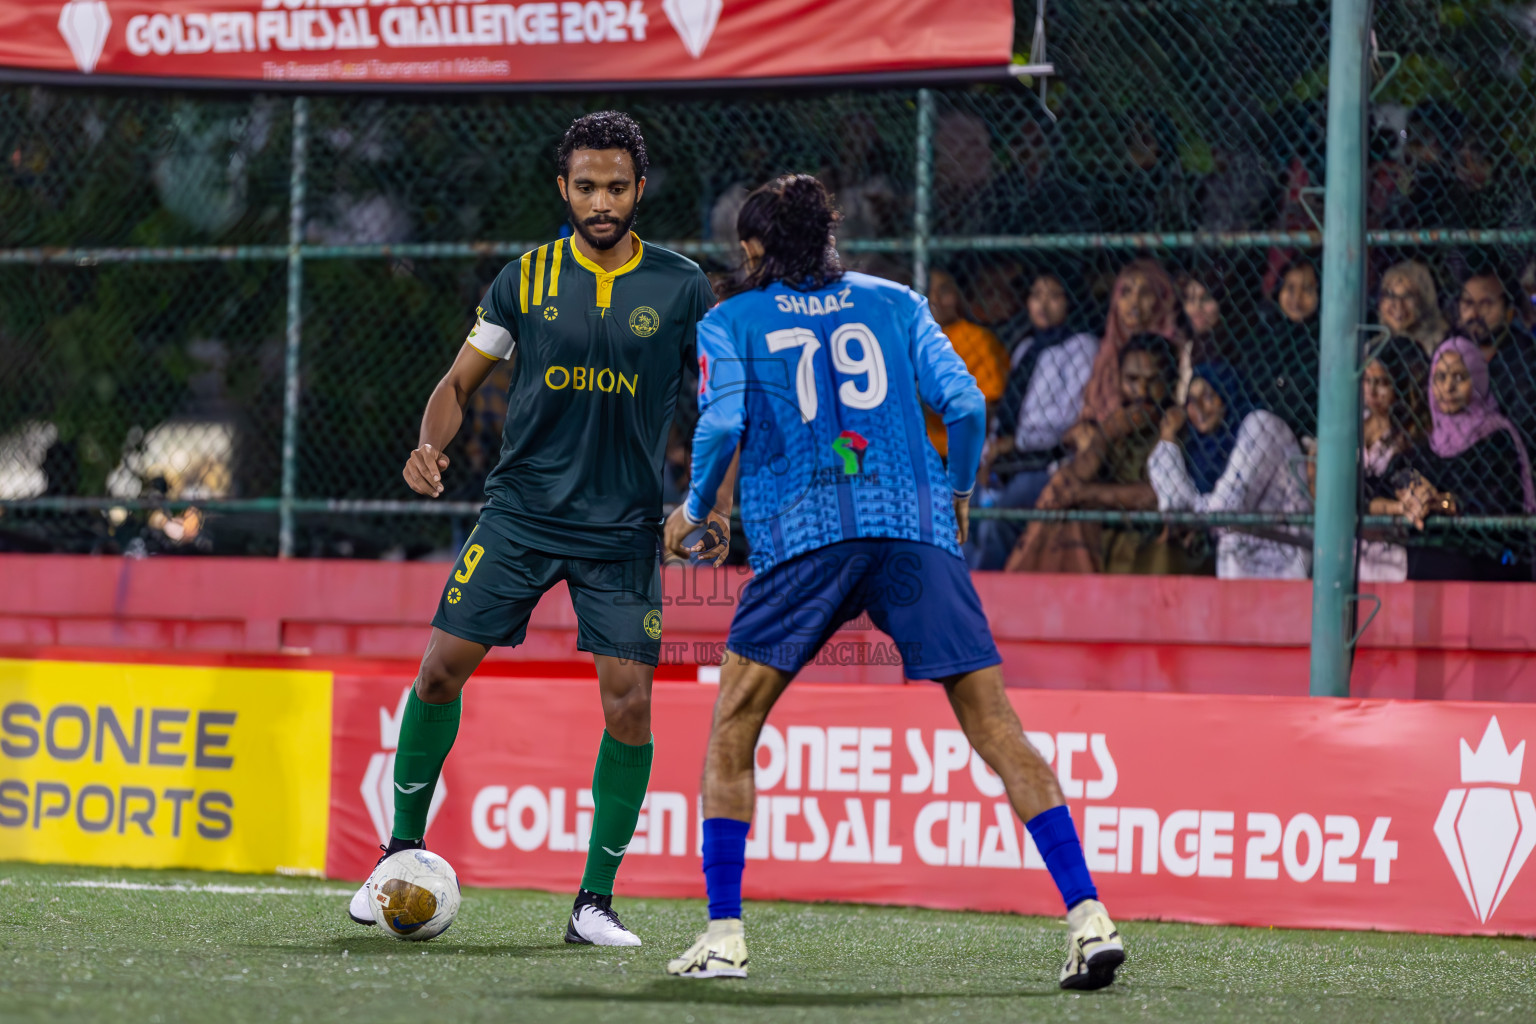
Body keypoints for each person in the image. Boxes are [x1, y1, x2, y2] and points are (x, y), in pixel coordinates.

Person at [660, 174, 1124, 989]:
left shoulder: (729, 319)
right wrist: (958, 492)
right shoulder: (898, 301)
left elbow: (725, 420)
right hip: (914, 529)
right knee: (995, 726)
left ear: (757, 250)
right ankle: (1089, 917)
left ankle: (726, 936)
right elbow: (969, 406)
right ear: (831, 237)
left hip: (805, 536)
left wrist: (694, 507)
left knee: (734, 726)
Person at [347, 111, 733, 947]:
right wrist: (427, 446)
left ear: (640, 188)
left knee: (630, 707)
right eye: (587, 186)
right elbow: (457, 384)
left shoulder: (682, 285)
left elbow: (727, 405)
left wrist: (709, 506)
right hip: (518, 514)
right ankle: (396, 856)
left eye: (617, 187)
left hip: (624, 528)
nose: (602, 202)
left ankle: (594, 902)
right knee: (440, 672)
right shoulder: (522, 279)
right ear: (564, 188)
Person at [1006, 335, 1201, 574]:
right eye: (1132, 380)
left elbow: (1157, 497)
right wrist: (1106, 434)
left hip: (1148, 531)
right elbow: (1072, 479)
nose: (1141, 391)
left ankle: (1018, 577)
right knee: (1059, 494)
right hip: (1108, 523)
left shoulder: (1175, 426)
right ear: (1117, 379)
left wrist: (1087, 493)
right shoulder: (1115, 423)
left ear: (1170, 383)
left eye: (1153, 381)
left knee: (1073, 513)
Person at [967, 272, 1099, 569]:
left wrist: (1014, 443)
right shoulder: (1026, 347)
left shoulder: (1082, 346)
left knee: (1000, 517)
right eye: (1036, 295)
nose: (1043, 304)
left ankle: (985, 592)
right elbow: (1006, 415)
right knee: (962, 506)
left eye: (1054, 296)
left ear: (1072, 301)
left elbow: (1066, 418)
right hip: (1008, 458)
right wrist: (989, 454)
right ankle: (964, 584)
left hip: (1046, 461)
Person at [1390, 337, 1535, 581]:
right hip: (1431, 555)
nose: (1448, 388)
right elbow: (1390, 477)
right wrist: (1409, 488)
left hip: (1484, 560)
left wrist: (1442, 503)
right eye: (1440, 378)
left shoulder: (1496, 436)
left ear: (1478, 378)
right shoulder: (1429, 440)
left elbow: (1495, 503)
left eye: (1459, 377)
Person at [1148, 364, 1311, 579]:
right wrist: (1169, 439)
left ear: (1227, 393)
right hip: (1235, 571)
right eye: (1191, 401)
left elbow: (1225, 511)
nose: (1199, 408)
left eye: (1207, 396)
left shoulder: (1262, 426)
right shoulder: (1200, 451)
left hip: (1286, 564)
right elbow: (1173, 506)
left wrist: (1190, 513)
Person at [1079, 259, 1183, 425]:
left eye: (1145, 293)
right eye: (1126, 292)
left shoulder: (1179, 353)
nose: (1134, 302)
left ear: (1162, 297)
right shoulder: (1101, 353)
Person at [1359, 342, 1428, 582]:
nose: (1373, 392)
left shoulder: (1412, 436)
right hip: (1351, 536)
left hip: (1392, 543)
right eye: (1367, 381)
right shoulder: (1351, 427)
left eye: (1383, 383)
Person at [924, 268, 1009, 458]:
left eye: (944, 291)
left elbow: (988, 409)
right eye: (928, 289)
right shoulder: (912, 337)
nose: (934, 298)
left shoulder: (980, 340)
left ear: (962, 295)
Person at [1457, 272, 1536, 452]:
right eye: (1468, 303)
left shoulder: (1525, 358)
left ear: (1509, 312)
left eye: (1485, 304)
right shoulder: (1449, 349)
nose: (1474, 313)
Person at [1256, 255, 1321, 443]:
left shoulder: (1324, 341)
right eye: (1289, 288)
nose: (1296, 298)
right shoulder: (1266, 335)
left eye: (1307, 289)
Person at [1378, 260, 1450, 357]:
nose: (1398, 305)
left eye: (1408, 296)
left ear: (1426, 299)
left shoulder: (1445, 349)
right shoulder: (1371, 349)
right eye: (1389, 295)